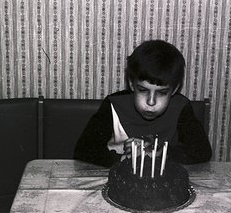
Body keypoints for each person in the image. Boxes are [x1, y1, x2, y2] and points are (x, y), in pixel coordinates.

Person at [74, 40, 212, 167]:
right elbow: (83, 150)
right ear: (131, 84)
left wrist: (160, 153)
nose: (151, 102)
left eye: (162, 93)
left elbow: (203, 151)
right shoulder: (114, 104)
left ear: (175, 89)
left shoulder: (181, 107)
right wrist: (122, 158)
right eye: (143, 90)